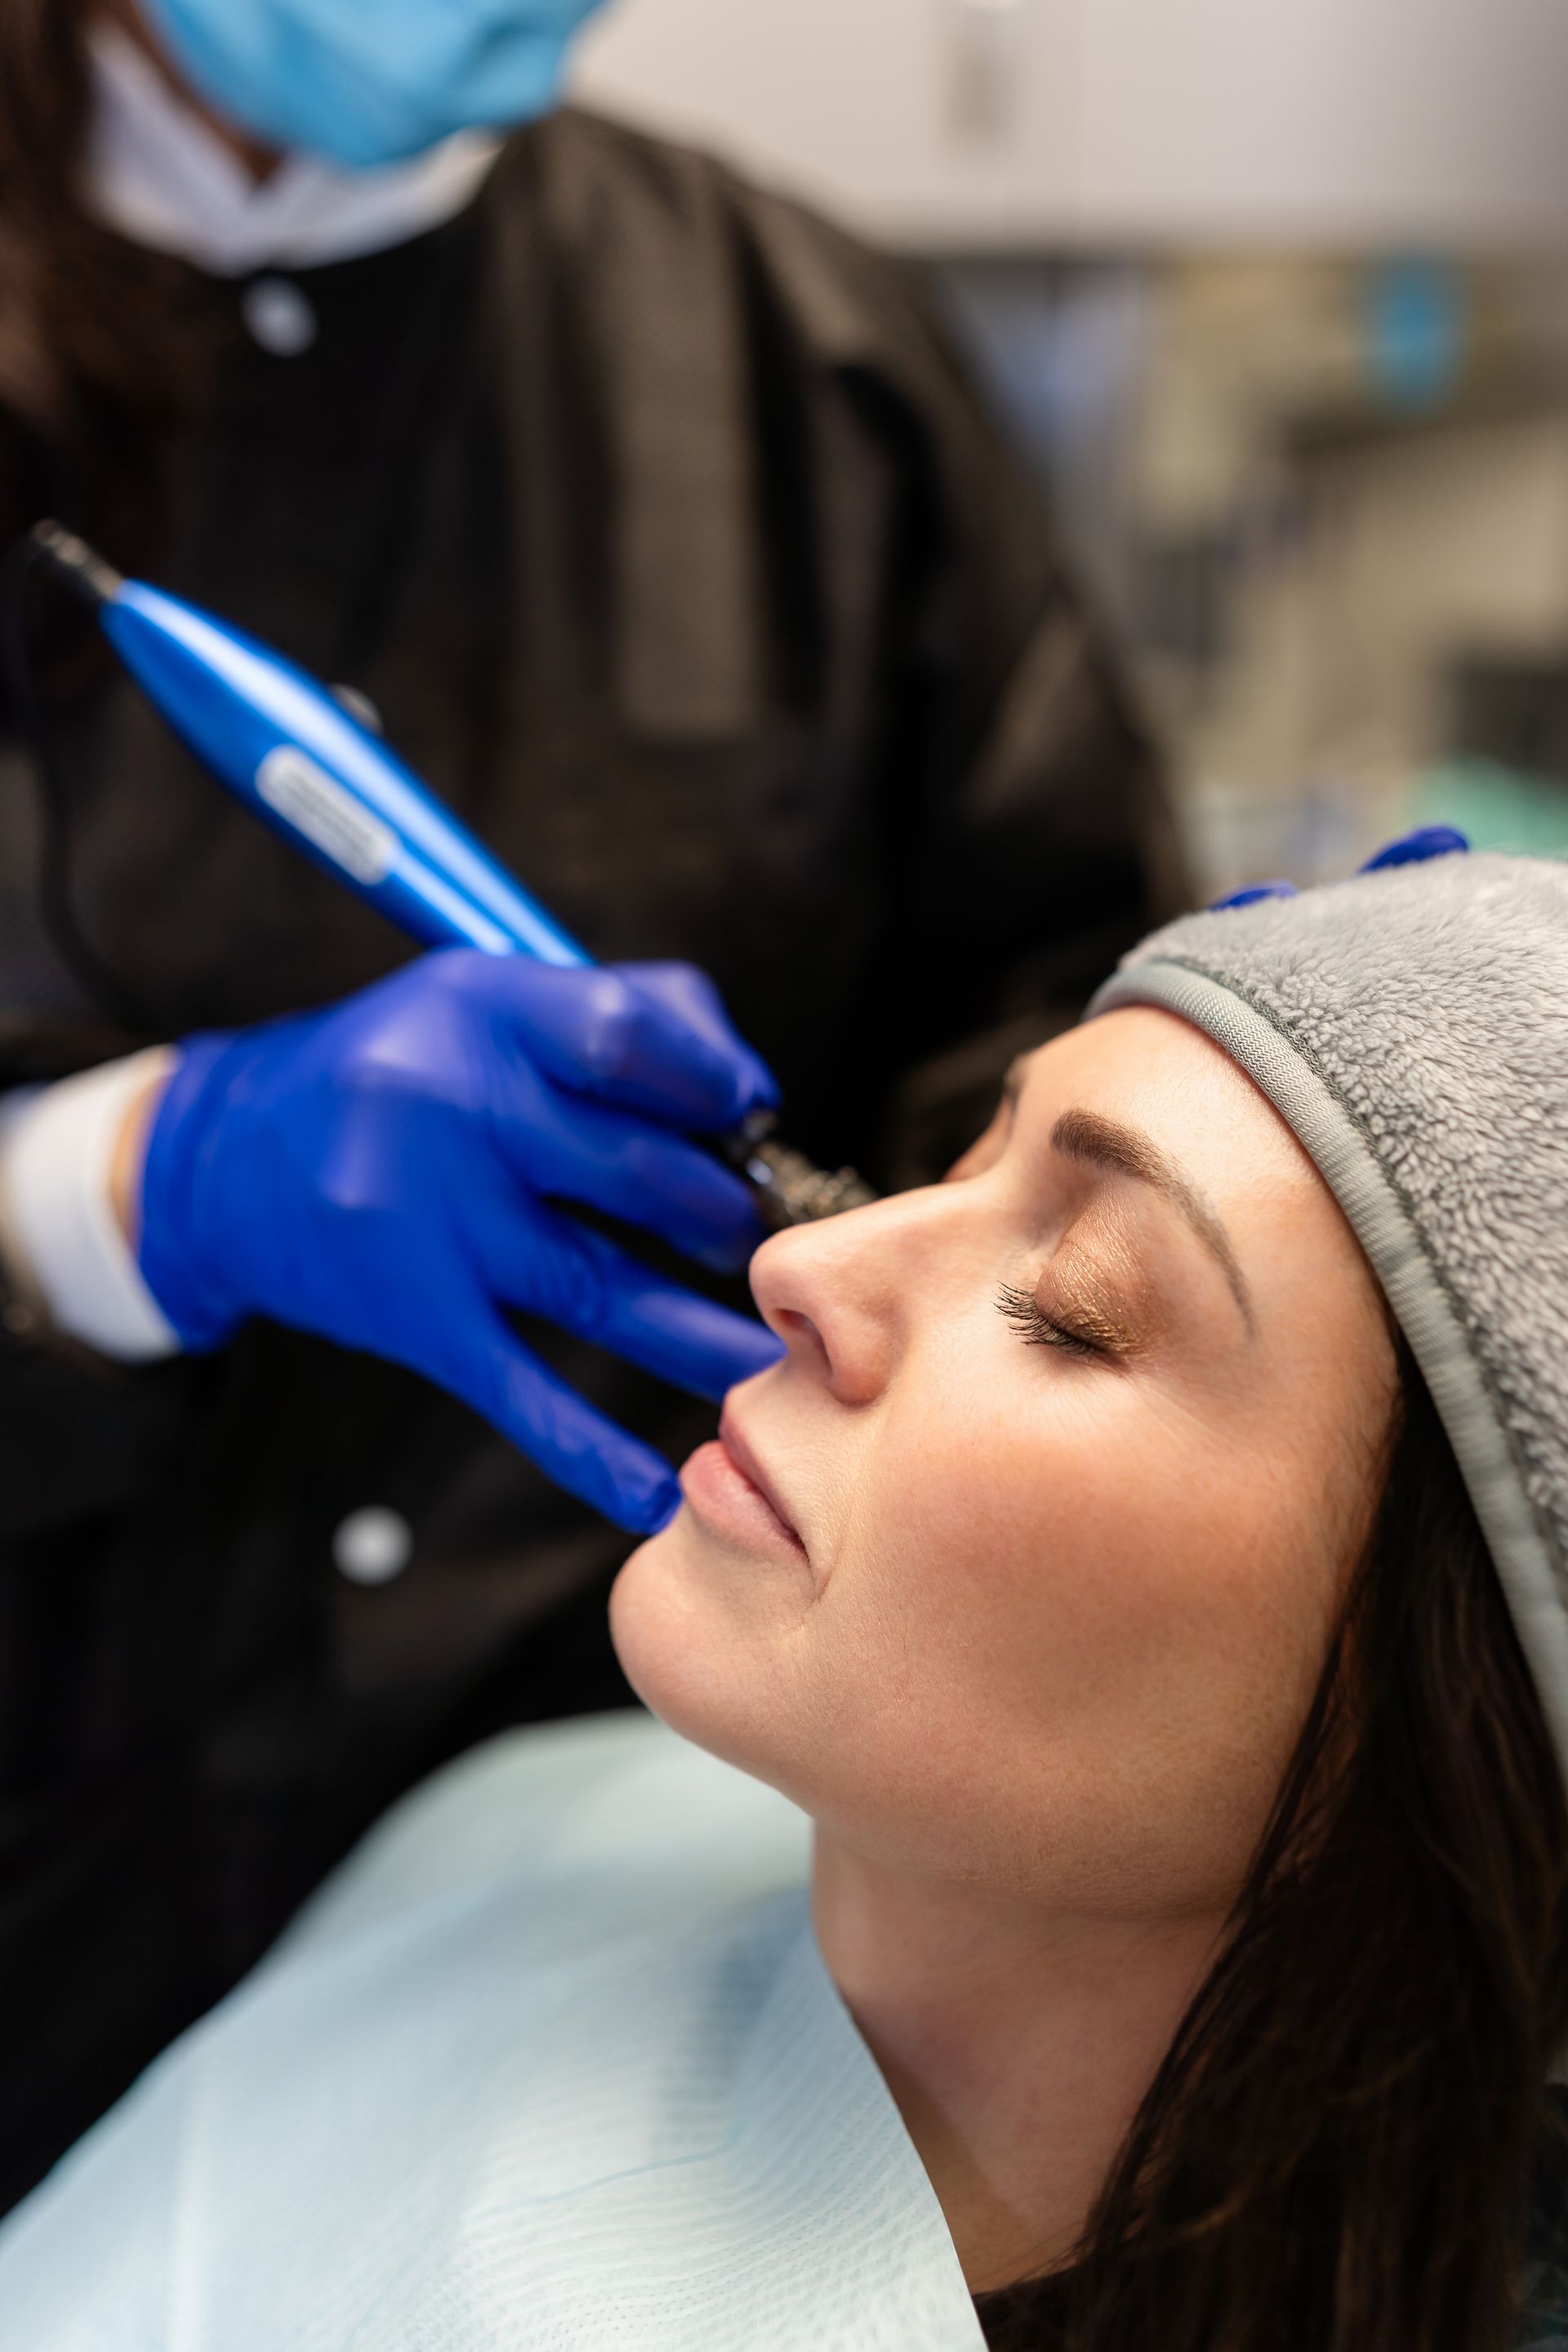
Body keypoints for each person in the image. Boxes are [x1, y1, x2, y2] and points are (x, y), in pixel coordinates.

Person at [0, 0, 1178, 2212]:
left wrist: (1219, 1061)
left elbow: (1031, 1019)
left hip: (629, 1934)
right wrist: (128, 1187)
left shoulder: (799, 367)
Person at [1, 843, 1565, 2351]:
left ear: (1455, 1695)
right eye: (961, 1156)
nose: (804, 1268)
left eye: (1075, 1312)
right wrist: (82, 1196)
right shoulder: (534, 1829)